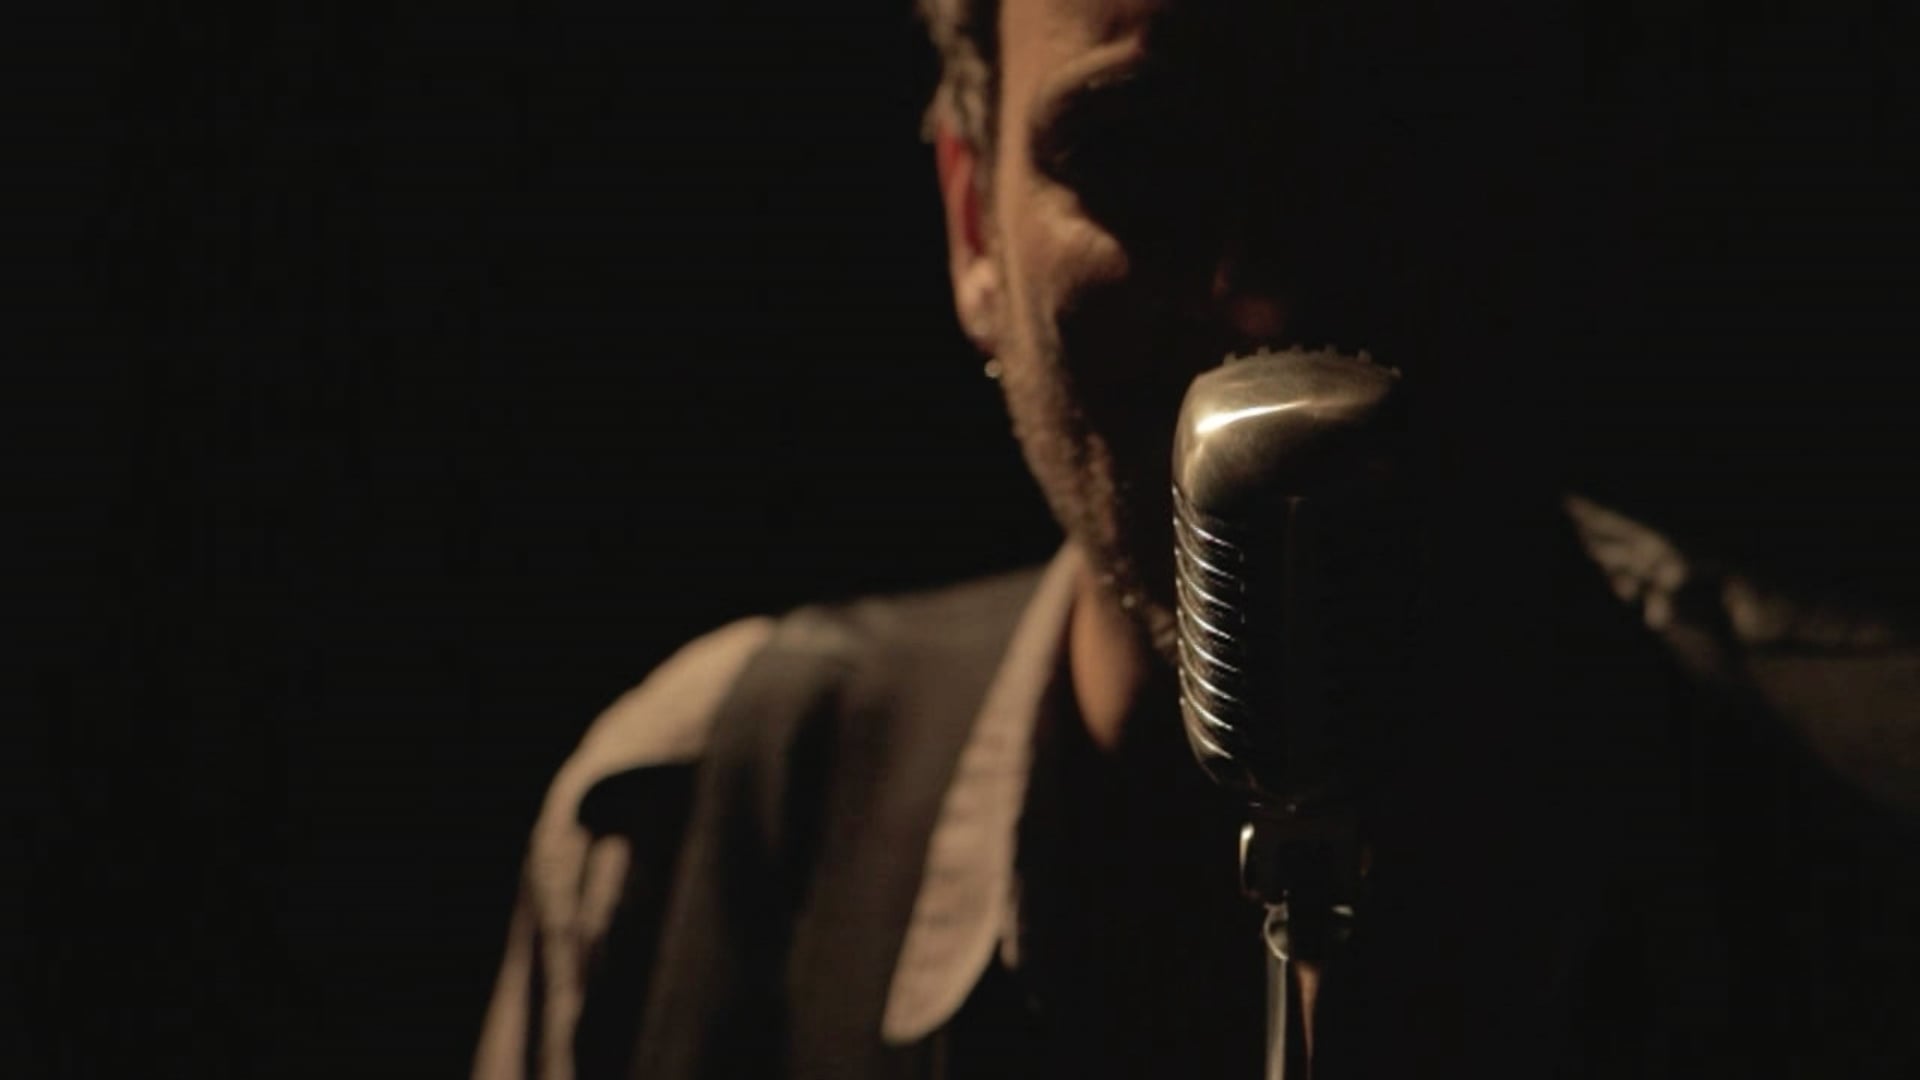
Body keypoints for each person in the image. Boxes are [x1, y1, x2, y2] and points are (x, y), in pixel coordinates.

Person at [474, 1, 1920, 1077]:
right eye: (1139, 149)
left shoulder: (1873, 835)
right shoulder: (685, 833)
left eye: (1395, 126)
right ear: (974, 224)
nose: (1270, 291)